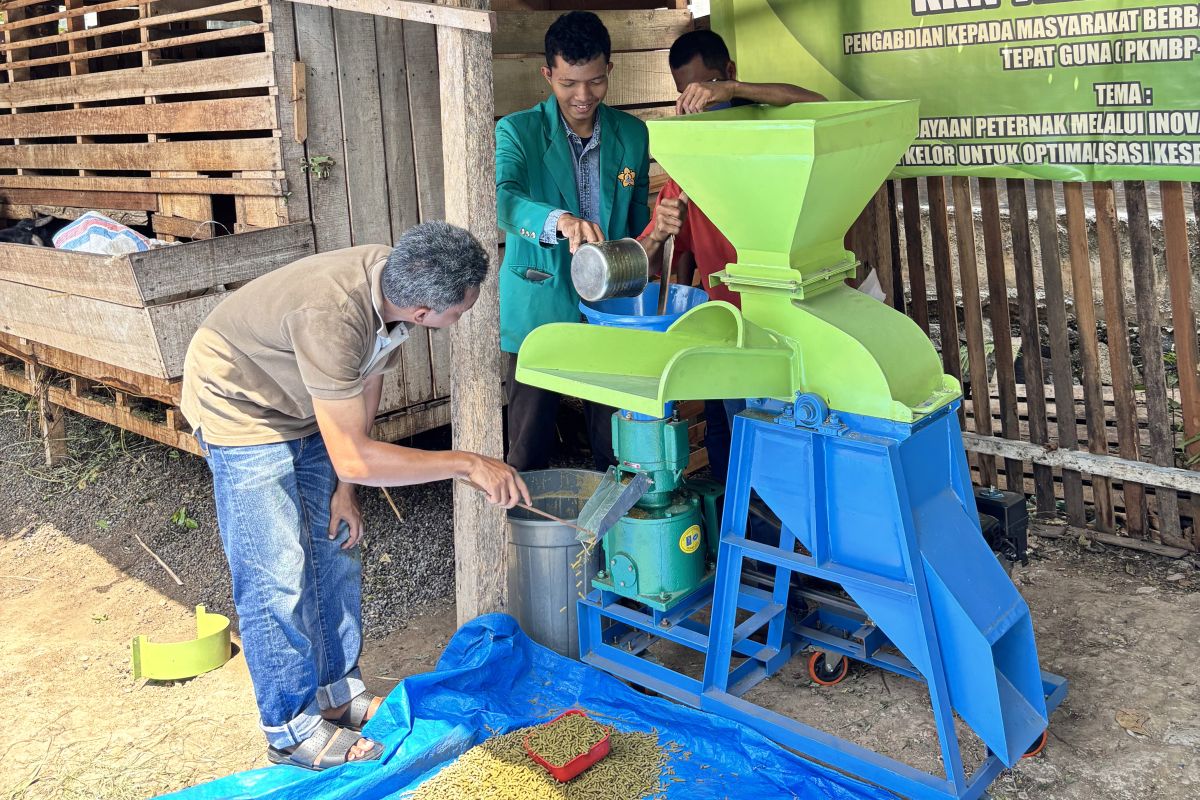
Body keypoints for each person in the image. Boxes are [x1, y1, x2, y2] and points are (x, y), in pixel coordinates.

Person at [180, 222, 530, 771]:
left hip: (306, 402)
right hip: (240, 403)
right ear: (423, 312)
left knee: (335, 547)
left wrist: (348, 488)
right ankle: (291, 730)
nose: (461, 317)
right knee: (275, 572)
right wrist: (465, 462)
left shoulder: (393, 282)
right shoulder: (333, 315)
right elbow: (353, 450)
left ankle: (337, 694)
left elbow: (367, 380)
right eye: (460, 311)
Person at [638, 29, 825, 485]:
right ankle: (738, 538)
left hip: (788, 329)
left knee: (782, 445)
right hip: (729, 334)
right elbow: (644, 261)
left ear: (730, 75)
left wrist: (736, 93)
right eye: (691, 97)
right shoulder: (687, 172)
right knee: (730, 437)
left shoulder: (774, 136)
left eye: (710, 89)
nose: (704, 103)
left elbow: (820, 106)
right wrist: (661, 233)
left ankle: (773, 534)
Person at [495, 10, 651, 472]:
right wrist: (560, 220)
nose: (583, 96)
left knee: (615, 445)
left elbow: (637, 220)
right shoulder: (517, 131)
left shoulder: (633, 134)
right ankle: (521, 537)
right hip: (539, 303)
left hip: (610, 308)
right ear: (547, 74)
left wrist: (656, 235)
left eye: (595, 82)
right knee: (529, 445)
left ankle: (612, 541)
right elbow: (504, 199)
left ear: (609, 70)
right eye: (568, 84)